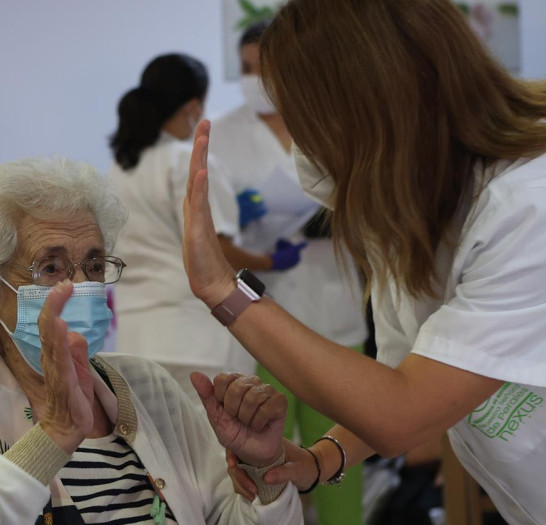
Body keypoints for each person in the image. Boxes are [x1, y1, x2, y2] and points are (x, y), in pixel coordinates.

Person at [182, 1, 546, 523]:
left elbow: (403, 413)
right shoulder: (415, 194)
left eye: (307, 117)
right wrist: (318, 459)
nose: (304, 146)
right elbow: (400, 377)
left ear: (370, 104)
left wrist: (225, 290)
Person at [0, 157, 303, 524]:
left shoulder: (148, 386)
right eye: (51, 266)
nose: (82, 285)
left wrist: (264, 469)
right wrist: (52, 437)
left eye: (94, 264)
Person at [210, 20, 369, 525]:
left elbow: (376, 206)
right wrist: (245, 220)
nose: (253, 79)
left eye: (264, 69)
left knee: (340, 454)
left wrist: (334, 218)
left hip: (335, 313)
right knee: (267, 463)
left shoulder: (338, 124)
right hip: (264, 322)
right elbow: (215, 231)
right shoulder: (225, 134)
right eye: (245, 68)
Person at [108, 54, 305, 387]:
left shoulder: (119, 169)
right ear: (193, 107)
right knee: (211, 439)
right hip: (196, 341)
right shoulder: (189, 159)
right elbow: (217, 252)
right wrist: (271, 260)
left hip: (136, 340)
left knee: (159, 437)